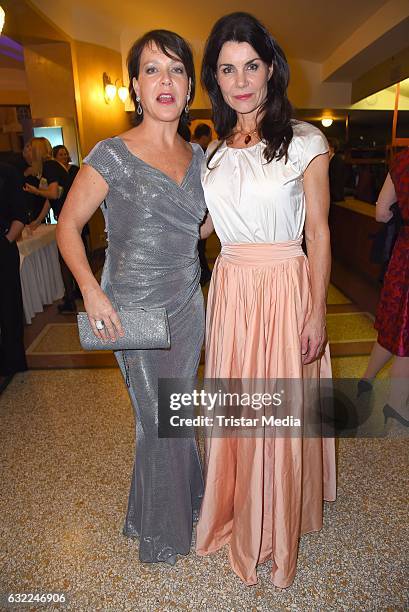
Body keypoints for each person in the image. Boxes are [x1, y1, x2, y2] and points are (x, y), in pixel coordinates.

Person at [195, 12, 337, 588]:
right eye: (228, 69)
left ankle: (277, 521)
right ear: (216, 79)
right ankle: (236, 504)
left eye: (251, 65)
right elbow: (202, 226)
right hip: (230, 288)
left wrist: (318, 309)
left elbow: (321, 232)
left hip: (283, 285)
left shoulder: (305, 141)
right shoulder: (212, 151)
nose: (242, 79)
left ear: (271, 68)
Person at [56, 30, 207, 565]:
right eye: (151, 70)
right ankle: (165, 538)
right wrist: (92, 294)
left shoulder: (201, 156)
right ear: (135, 88)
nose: (164, 81)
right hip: (130, 311)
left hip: (189, 304)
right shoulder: (111, 154)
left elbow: (203, 226)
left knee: (173, 416)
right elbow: (68, 227)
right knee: (158, 418)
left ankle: (158, 512)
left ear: (189, 87)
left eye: (175, 70)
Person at [359, 148, 409, 426]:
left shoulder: (401, 160)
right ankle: (396, 404)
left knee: (395, 323)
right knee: (405, 331)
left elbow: (380, 213)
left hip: (403, 254)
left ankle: (366, 380)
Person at [0, 162, 28, 379]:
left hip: (3, 247)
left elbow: (19, 213)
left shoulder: (7, 170)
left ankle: (13, 361)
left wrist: (6, 241)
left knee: (8, 305)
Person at [192, 123, 213, 284]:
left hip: (197, 206)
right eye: (209, 136)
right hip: (199, 206)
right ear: (204, 136)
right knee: (198, 246)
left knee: (198, 245)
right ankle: (203, 274)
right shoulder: (201, 153)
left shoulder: (188, 148)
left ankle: (203, 273)